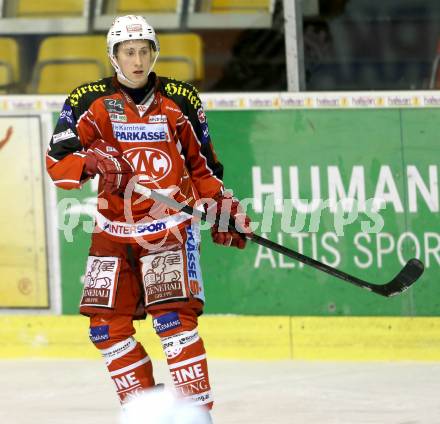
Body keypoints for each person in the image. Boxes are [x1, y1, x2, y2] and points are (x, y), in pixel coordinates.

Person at [46, 15, 251, 413]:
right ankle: (149, 413)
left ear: (154, 54)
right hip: (112, 231)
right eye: (128, 52)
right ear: (114, 56)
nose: (137, 60)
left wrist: (220, 204)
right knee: (106, 329)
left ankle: (195, 418)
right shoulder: (88, 101)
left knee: (173, 325)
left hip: (169, 229)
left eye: (144, 51)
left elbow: (203, 168)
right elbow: (58, 163)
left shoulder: (181, 99)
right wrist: (92, 161)